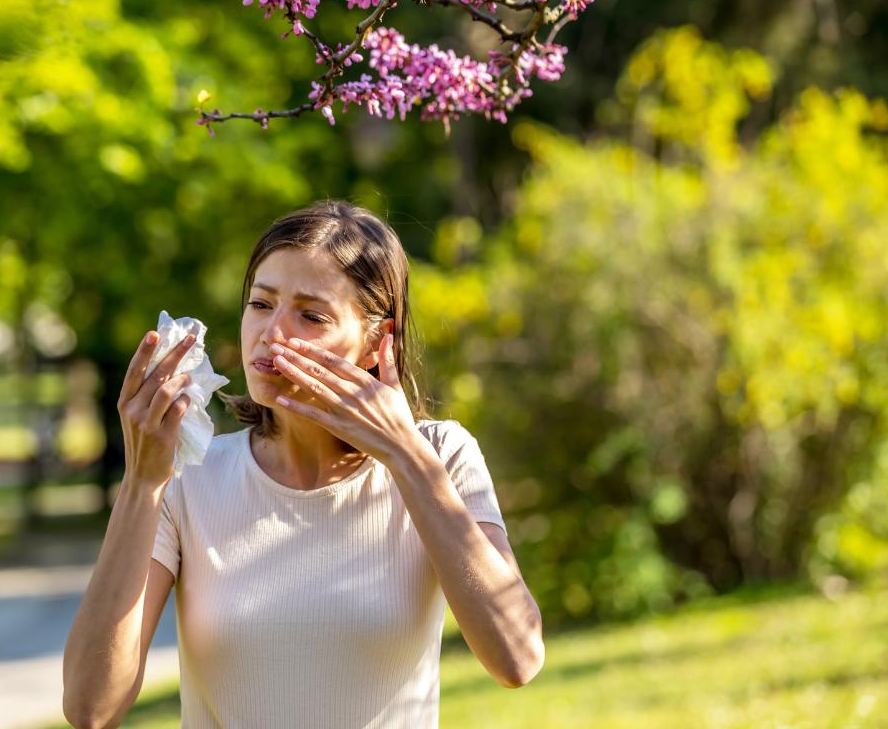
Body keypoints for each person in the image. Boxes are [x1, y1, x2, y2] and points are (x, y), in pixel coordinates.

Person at [62, 200, 544, 729]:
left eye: (311, 315)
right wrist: (140, 482)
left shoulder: (441, 457)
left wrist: (405, 455)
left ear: (376, 343)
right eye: (261, 304)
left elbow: (516, 659)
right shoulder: (189, 477)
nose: (270, 333)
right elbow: (90, 708)